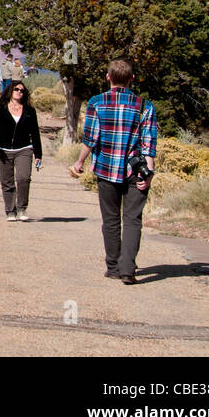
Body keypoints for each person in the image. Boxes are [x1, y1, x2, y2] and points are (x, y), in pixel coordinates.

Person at [70, 59, 158, 284]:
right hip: (135, 171)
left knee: (110, 220)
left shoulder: (96, 103)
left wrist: (79, 162)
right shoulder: (144, 106)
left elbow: (91, 138)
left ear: (108, 77)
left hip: (106, 169)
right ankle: (127, 269)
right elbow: (149, 145)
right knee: (132, 219)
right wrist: (149, 174)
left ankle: (113, 266)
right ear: (132, 79)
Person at [0, 80, 42, 221]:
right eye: (16, 89)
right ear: (11, 91)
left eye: (22, 90)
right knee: (7, 182)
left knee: (23, 178)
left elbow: (35, 132)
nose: (19, 92)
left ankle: (22, 209)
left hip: (23, 148)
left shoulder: (29, 110)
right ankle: (11, 211)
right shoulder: (1, 107)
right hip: (2, 150)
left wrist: (38, 154)